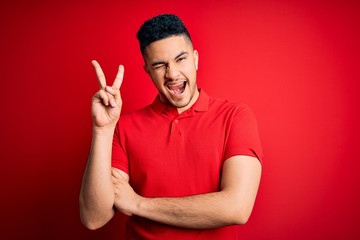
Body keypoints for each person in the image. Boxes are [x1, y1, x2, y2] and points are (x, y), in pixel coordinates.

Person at [79, 14, 263, 239]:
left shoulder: (234, 117)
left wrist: (138, 204)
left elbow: (237, 207)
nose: (172, 74)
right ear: (147, 70)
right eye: (160, 65)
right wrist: (102, 130)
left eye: (181, 59)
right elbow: (93, 218)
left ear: (195, 59)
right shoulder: (123, 127)